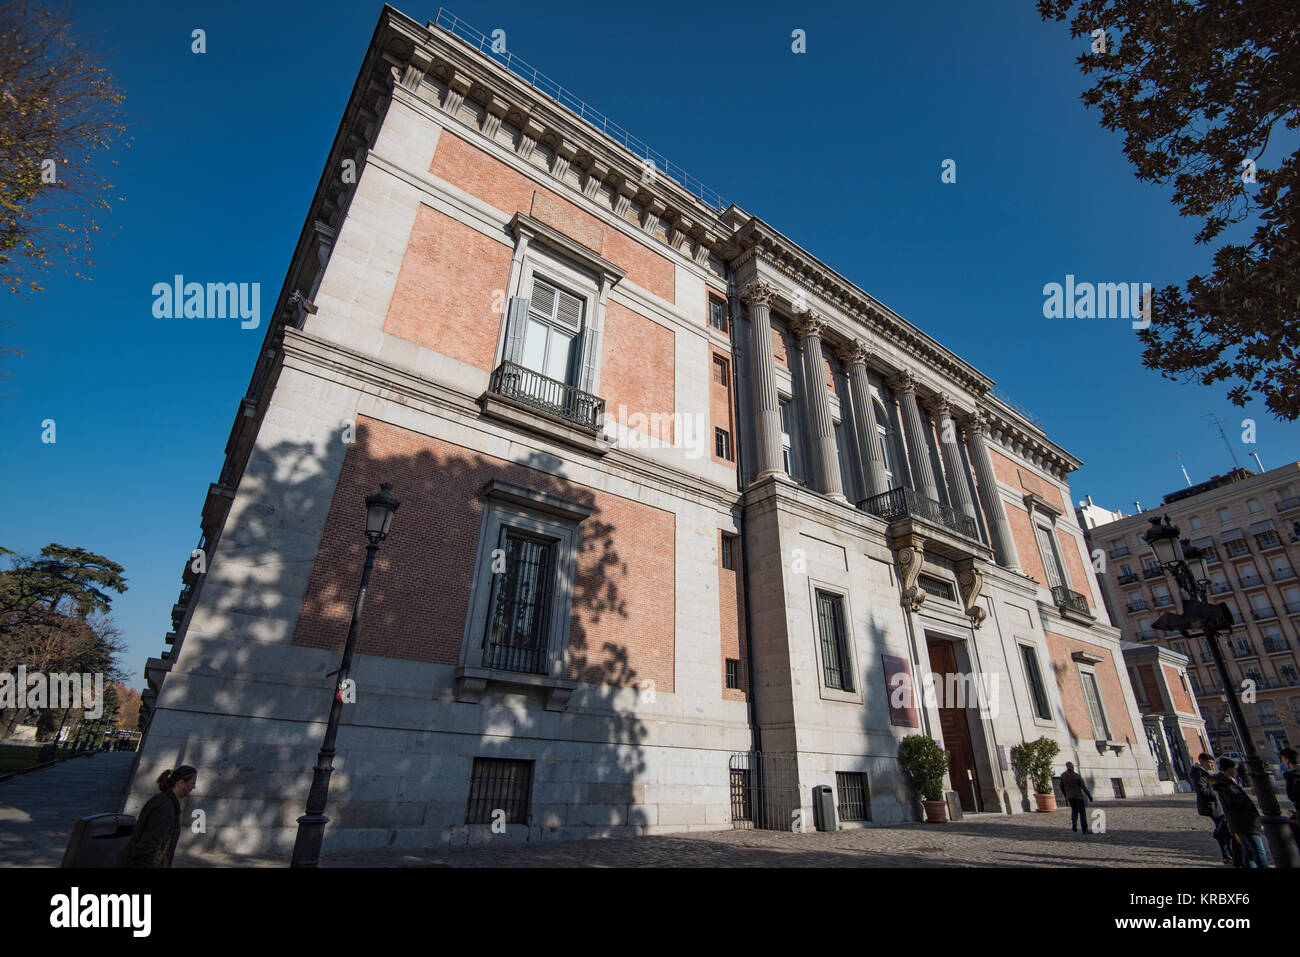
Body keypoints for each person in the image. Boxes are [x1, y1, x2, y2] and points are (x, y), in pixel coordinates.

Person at [119, 765, 197, 867]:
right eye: (193, 783)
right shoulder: (164, 806)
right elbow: (148, 846)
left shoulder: (168, 803)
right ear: (181, 783)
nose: (194, 787)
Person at [1211, 758, 1269, 868]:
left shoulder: (1226, 783)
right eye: (1234, 769)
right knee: (1258, 850)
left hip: (1239, 823)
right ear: (1228, 770)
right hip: (1244, 822)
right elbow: (1235, 802)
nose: (1236, 771)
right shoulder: (1226, 785)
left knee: (1248, 851)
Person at [1190, 753, 1233, 864]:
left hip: (1217, 805)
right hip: (1212, 806)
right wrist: (1217, 789)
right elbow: (1202, 791)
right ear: (1202, 762)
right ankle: (1228, 854)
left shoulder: (1207, 773)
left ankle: (1228, 855)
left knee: (1224, 829)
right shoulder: (1200, 775)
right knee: (1223, 831)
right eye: (1209, 763)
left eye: (1212, 763)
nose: (1211, 765)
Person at [1059, 761, 1093, 834]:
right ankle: (1084, 829)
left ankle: (1074, 823)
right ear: (1072, 767)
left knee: (1074, 811)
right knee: (1082, 813)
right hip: (1078, 796)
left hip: (1070, 796)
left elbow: (1061, 786)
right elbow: (1083, 787)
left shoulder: (1063, 775)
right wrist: (1089, 796)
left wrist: (1065, 794)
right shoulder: (1076, 776)